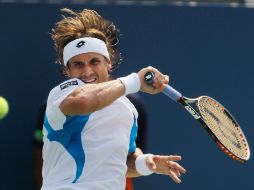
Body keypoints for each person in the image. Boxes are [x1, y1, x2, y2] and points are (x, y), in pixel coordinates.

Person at [41, 8, 186, 190]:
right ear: (67, 71)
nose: (87, 72)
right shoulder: (61, 95)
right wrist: (135, 81)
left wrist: (146, 162)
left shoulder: (128, 109)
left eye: (94, 61)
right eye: (78, 64)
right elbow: (84, 102)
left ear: (108, 62)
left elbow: (122, 161)